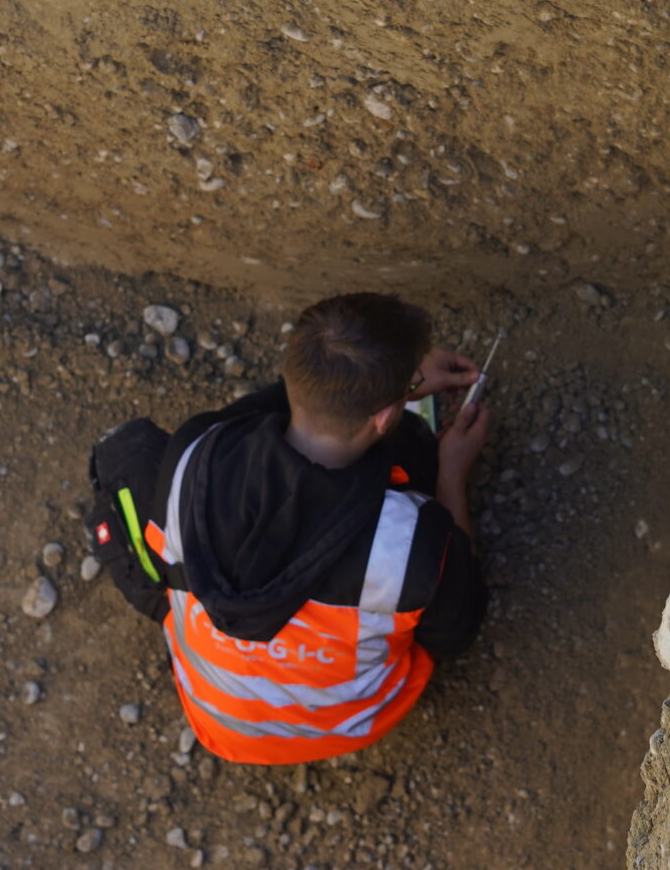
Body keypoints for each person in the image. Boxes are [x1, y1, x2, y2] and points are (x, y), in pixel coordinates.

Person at [86, 292, 489, 765]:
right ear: (383, 417)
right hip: (348, 724)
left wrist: (384, 384)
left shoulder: (196, 448)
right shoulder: (411, 542)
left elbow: (265, 410)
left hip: (218, 719)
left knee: (127, 451)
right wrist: (450, 476)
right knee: (415, 454)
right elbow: (456, 634)